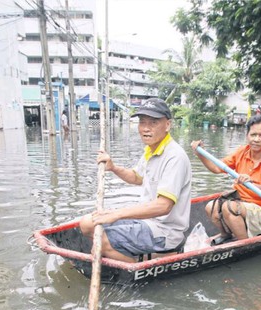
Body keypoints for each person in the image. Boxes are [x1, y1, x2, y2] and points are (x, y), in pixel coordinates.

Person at [79, 98, 192, 263]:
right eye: (142, 122)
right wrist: (113, 167)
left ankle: (140, 267)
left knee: (100, 243)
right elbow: (137, 177)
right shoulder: (151, 150)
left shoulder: (175, 157)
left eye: (153, 122)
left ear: (167, 125)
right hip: (146, 221)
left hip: (165, 230)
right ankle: (150, 255)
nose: (146, 128)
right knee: (87, 223)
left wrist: (116, 214)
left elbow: (164, 206)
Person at [191, 114, 261, 245]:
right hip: (241, 201)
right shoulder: (242, 152)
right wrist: (200, 154)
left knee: (230, 208)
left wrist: (252, 183)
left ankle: (245, 244)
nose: (256, 139)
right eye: (253, 134)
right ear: (247, 135)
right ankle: (226, 235)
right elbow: (217, 169)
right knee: (210, 207)